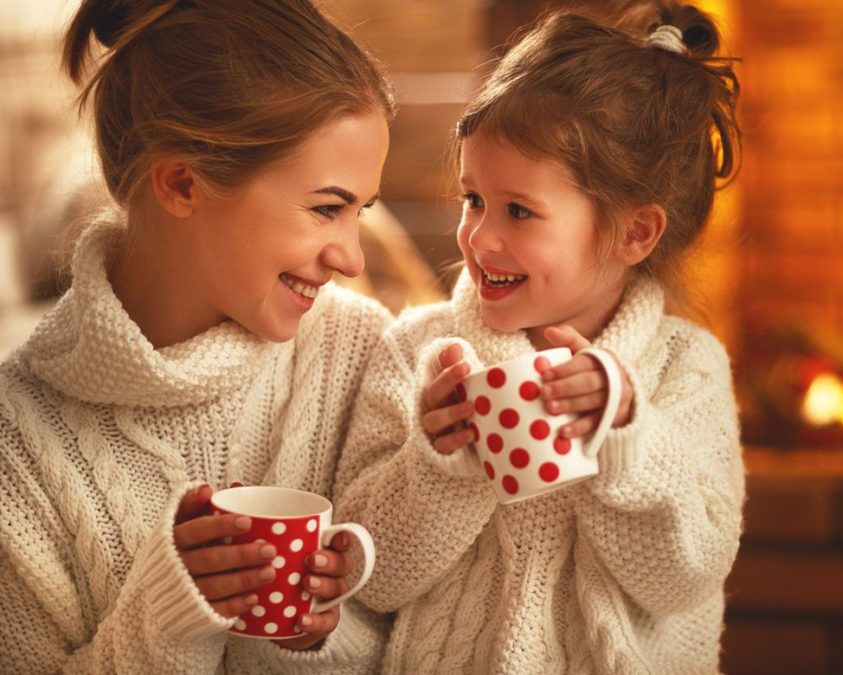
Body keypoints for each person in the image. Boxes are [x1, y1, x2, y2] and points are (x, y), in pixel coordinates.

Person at [333, 1, 745, 671]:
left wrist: (621, 435)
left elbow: (684, 577)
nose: (478, 236)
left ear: (635, 232)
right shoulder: (419, 355)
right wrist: (441, 465)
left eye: (519, 210)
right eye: (473, 198)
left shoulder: (684, 370)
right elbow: (366, 576)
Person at [0, 0, 396, 671]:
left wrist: (317, 635)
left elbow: (434, 632)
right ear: (182, 182)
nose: (353, 259)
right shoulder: (19, 436)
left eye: (361, 212)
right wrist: (169, 616)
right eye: (327, 208)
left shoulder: (364, 355)